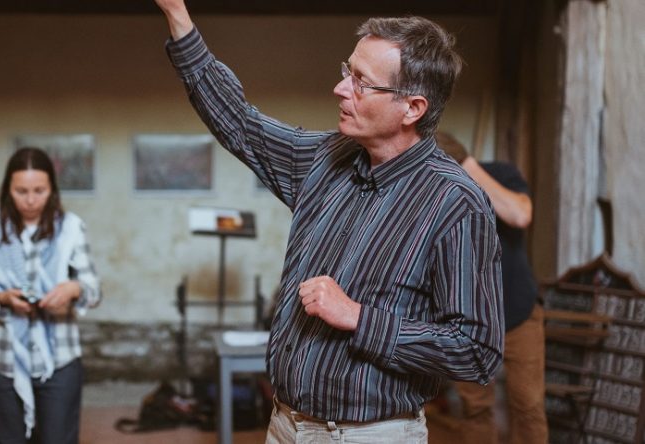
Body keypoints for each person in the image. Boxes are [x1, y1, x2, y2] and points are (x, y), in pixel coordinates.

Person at [152, 1, 504, 442]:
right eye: (347, 71)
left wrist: (359, 317)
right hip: (285, 424)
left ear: (412, 108)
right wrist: (178, 16)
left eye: (361, 82)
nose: (340, 89)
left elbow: (476, 351)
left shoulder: (456, 203)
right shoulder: (327, 158)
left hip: (369, 435)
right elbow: (239, 122)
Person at [0, 147, 102, 444]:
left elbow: (93, 290)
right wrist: (1, 299)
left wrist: (73, 289)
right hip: (1, 359)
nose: (30, 200)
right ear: (7, 191)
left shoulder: (70, 229)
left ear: (52, 190)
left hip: (60, 357)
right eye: (21, 191)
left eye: (39, 191)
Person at [438, 132, 546, 443]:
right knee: (474, 407)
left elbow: (520, 215)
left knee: (528, 405)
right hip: (468, 321)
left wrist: (468, 167)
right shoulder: (436, 193)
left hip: (519, 313)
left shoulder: (500, 174)